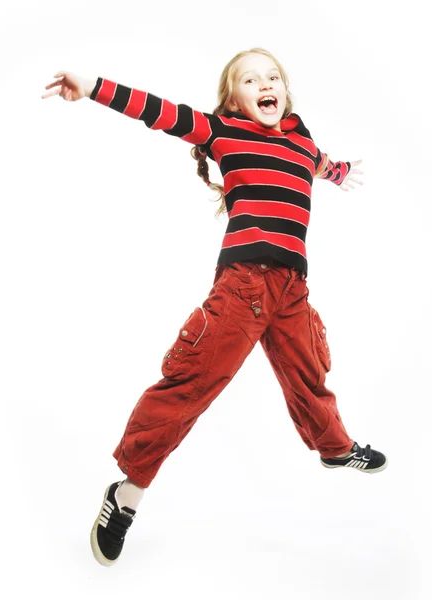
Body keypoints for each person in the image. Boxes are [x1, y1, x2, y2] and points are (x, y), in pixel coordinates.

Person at [42, 47, 387, 567]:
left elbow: (320, 164)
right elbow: (155, 109)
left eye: (273, 77)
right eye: (251, 80)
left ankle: (336, 449)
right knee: (190, 386)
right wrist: (91, 86)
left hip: (294, 288)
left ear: (285, 91)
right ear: (234, 98)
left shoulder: (302, 141)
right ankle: (127, 493)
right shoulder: (223, 132)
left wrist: (338, 172)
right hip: (243, 286)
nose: (265, 84)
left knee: (310, 374)